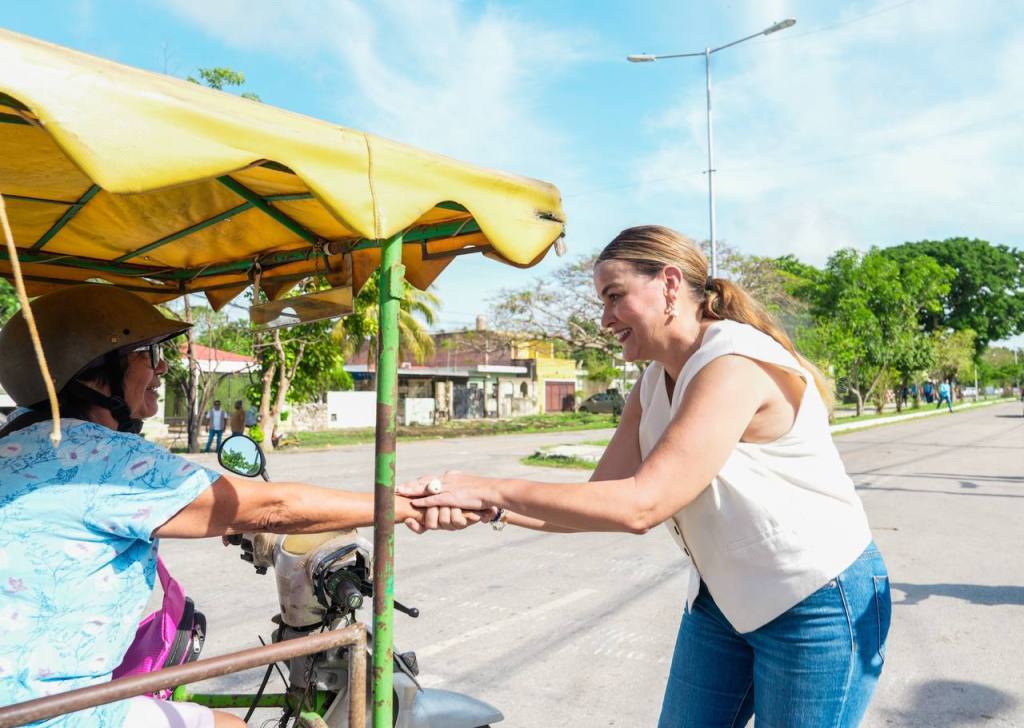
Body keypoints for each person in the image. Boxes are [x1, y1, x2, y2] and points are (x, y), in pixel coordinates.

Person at [401, 226, 891, 727]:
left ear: (670, 285)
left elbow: (641, 506)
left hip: (815, 601)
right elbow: (598, 500)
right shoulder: (654, 379)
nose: (605, 318)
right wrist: (492, 509)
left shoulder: (735, 362)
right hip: (724, 600)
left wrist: (489, 486)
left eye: (615, 297)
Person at [0, 284, 471, 728]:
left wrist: (228, 519)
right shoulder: (100, 457)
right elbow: (273, 507)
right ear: (92, 371)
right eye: (148, 354)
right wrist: (404, 505)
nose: (161, 369)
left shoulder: (18, 443)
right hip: (47, 709)